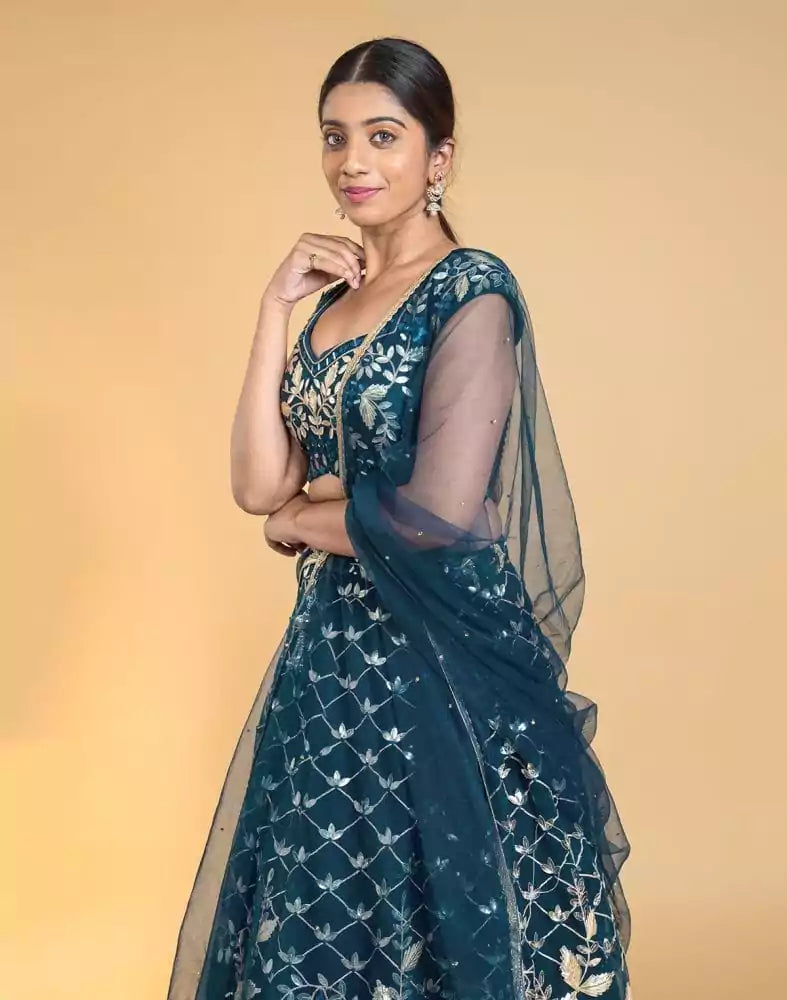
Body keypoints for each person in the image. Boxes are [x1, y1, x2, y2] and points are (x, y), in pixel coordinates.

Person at [166, 36, 633, 1000]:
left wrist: (301, 523)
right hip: (328, 660)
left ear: (438, 157)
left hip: (439, 659)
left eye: (383, 136)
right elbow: (257, 483)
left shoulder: (471, 290)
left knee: (436, 918)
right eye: (334, 137)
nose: (354, 161)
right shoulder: (330, 304)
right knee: (325, 914)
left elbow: (437, 513)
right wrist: (272, 311)